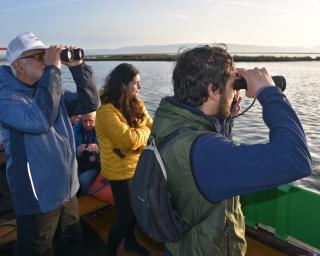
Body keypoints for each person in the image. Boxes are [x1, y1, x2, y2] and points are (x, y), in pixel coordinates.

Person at [149, 45, 312, 256]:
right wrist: (268, 92)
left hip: (181, 245)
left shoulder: (169, 123)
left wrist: (225, 119)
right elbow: (296, 158)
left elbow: (200, 171)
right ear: (212, 91)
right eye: (232, 85)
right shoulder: (205, 152)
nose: (235, 91)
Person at [0, 32, 100, 256]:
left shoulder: (50, 90)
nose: (45, 60)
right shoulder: (6, 97)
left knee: (72, 248)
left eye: (46, 54)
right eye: (38, 55)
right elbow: (40, 120)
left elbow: (90, 102)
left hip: (67, 190)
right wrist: (53, 70)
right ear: (18, 65)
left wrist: (77, 67)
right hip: (38, 199)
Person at [95, 63, 153, 256]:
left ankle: (130, 242)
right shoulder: (105, 112)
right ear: (122, 85)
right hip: (119, 172)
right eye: (136, 83)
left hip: (138, 166)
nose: (140, 87)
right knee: (125, 216)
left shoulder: (137, 103)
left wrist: (140, 134)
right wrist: (143, 131)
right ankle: (109, 251)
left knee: (135, 212)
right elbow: (127, 141)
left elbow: (153, 127)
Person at [74, 111, 100, 195]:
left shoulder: (102, 130)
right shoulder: (75, 130)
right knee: (69, 177)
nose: (88, 124)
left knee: (83, 179)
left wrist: (98, 150)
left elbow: (110, 154)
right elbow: (68, 153)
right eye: (84, 121)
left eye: (91, 121)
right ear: (80, 119)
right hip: (80, 164)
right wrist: (77, 152)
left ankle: (87, 198)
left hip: (97, 166)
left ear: (96, 119)